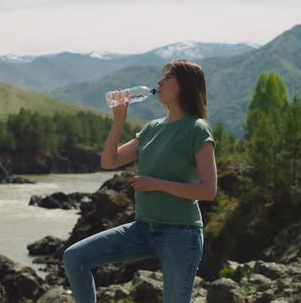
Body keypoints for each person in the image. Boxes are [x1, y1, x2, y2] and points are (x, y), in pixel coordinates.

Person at [62, 59, 217, 303]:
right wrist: (119, 120)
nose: (159, 82)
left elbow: (208, 191)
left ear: (184, 86)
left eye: (167, 77)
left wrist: (156, 184)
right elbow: (109, 161)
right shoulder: (152, 129)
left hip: (181, 234)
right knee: (75, 257)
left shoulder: (197, 129)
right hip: (142, 228)